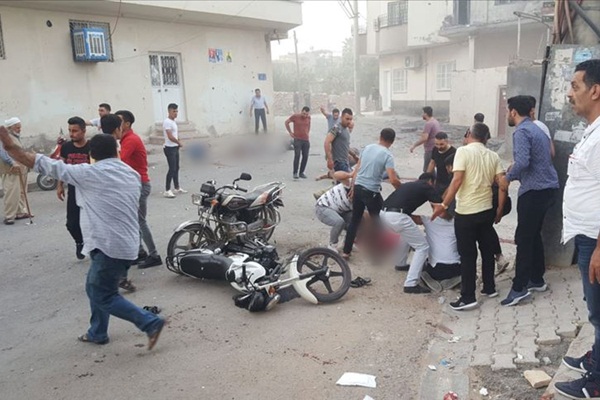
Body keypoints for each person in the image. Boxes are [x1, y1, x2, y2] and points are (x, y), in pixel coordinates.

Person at [0, 128, 166, 350]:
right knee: (96, 287)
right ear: (117, 152)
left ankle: (150, 322)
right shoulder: (130, 173)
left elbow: (37, 161)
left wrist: (8, 144)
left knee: (102, 294)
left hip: (109, 246)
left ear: (92, 155)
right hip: (124, 244)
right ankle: (98, 332)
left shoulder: (89, 174)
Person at [553, 59, 600, 399]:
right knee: (595, 308)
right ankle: (596, 358)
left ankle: (596, 382)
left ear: (595, 91)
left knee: (599, 312)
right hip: (587, 237)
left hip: (595, 241)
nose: (569, 94)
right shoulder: (592, 131)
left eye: (575, 86)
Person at [432, 122, 507, 311]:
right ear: (486, 138)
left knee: (467, 255)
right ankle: (489, 288)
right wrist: (499, 209)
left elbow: (457, 180)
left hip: (466, 212)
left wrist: (444, 205)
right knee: (487, 250)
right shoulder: (493, 156)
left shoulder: (463, 152)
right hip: (486, 210)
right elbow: (502, 185)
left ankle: (468, 297)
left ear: (468, 134)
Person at [501, 95, 559, 307]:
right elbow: (545, 155)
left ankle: (519, 288)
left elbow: (523, 162)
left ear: (513, 112)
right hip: (548, 188)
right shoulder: (537, 129)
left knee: (523, 238)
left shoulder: (522, 131)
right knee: (533, 234)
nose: (507, 115)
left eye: (508, 111)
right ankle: (537, 279)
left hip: (534, 191)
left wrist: (507, 178)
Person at [342, 128, 401, 259]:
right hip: (371, 191)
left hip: (358, 187)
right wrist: (401, 190)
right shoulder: (388, 155)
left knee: (355, 220)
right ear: (392, 141)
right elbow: (393, 179)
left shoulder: (368, 148)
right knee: (378, 221)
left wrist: (353, 186)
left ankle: (346, 251)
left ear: (380, 137)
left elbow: (357, 168)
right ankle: (376, 253)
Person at [115, 110, 162, 269]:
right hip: (134, 184)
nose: (116, 125)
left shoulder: (131, 140)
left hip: (140, 184)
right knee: (135, 221)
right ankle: (140, 251)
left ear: (127, 124)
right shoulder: (125, 139)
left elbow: (119, 161)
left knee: (140, 221)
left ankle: (154, 255)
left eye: (119, 121)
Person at [381, 172, 441, 294]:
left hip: (384, 213)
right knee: (422, 247)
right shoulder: (427, 186)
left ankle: (400, 263)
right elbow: (440, 204)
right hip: (398, 216)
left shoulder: (410, 185)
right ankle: (411, 283)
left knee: (407, 235)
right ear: (431, 181)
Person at [58, 117, 91, 259]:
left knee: (92, 220)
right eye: (70, 130)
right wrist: (59, 185)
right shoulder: (66, 147)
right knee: (71, 223)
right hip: (73, 189)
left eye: (75, 131)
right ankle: (79, 242)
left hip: (89, 190)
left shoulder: (91, 147)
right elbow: (61, 168)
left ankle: (95, 246)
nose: (72, 134)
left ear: (83, 131)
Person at [412, 204, 462, 292]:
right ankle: (457, 279)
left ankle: (427, 278)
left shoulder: (428, 220)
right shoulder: (458, 223)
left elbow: (406, 217)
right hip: (456, 268)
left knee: (422, 260)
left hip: (435, 270)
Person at [0, 117, 30, 225]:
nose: (19, 129)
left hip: (21, 168)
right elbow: (3, 153)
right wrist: (12, 162)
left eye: (20, 127)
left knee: (21, 192)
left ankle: (20, 212)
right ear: (10, 128)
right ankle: (9, 216)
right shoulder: (4, 137)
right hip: (10, 169)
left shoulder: (15, 137)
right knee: (11, 193)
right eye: (17, 127)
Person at [315, 171, 353, 251]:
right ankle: (332, 245)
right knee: (339, 222)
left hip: (341, 210)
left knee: (356, 220)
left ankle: (348, 243)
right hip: (323, 206)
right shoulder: (350, 184)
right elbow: (336, 175)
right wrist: (351, 174)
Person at [163, 103, 186, 198]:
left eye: (176, 111)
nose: (175, 113)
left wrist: (178, 141)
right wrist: (178, 142)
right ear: (169, 111)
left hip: (175, 147)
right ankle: (167, 190)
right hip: (169, 148)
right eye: (174, 111)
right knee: (172, 169)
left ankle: (177, 187)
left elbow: (175, 134)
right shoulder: (167, 122)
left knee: (176, 167)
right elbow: (170, 136)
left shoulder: (173, 122)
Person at [410, 106, 440, 172]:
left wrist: (414, 145)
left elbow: (424, 138)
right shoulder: (435, 122)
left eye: (422, 113)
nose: (422, 115)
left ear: (425, 114)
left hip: (430, 150)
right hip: (435, 148)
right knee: (431, 169)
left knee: (427, 170)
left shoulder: (429, 124)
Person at [285, 106, 311, 180]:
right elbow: (286, 122)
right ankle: (295, 172)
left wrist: (307, 133)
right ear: (301, 111)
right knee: (297, 155)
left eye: (306, 114)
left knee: (305, 156)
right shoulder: (295, 116)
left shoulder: (309, 118)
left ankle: (301, 172)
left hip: (306, 139)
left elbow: (309, 126)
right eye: (304, 113)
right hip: (297, 139)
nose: (305, 115)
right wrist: (290, 132)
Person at [324, 108, 354, 173]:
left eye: (350, 119)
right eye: (347, 119)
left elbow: (344, 145)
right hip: (339, 162)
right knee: (349, 178)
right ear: (341, 117)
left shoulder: (346, 130)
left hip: (345, 161)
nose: (349, 121)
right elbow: (327, 142)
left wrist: (352, 155)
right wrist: (329, 159)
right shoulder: (336, 128)